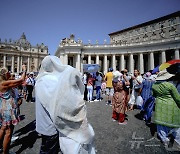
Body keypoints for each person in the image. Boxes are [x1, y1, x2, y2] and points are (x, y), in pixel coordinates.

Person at [35, 55, 95, 154]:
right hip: (52, 125)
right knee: (50, 150)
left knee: (45, 147)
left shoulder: (39, 80)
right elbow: (65, 104)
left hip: (42, 123)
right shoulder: (52, 81)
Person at [0, 65, 26, 154]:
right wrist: (24, 70)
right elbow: (21, 80)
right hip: (8, 110)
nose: (10, 73)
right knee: (8, 132)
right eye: (8, 72)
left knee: (3, 128)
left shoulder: (3, 82)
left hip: (4, 108)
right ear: (4, 74)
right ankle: (5, 152)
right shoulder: (4, 83)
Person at [152, 71, 180, 149]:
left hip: (160, 105)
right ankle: (177, 140)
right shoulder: (170, 85)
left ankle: (164, 139)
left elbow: (153, 95)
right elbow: (177, 98)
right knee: (175, 125)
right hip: (171, 105)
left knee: (161, 125)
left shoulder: (154, 85)